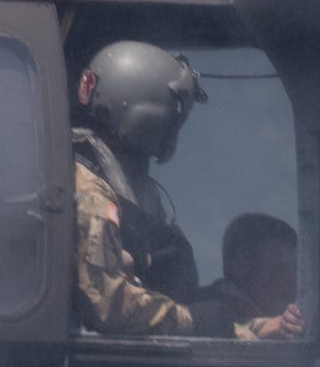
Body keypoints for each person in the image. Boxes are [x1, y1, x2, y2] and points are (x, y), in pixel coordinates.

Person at [72, 42, 303, 341]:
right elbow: (107, 303)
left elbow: (195, 319)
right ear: (149, 117)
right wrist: (194, 320)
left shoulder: (122, 188)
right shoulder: (91, 193)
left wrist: (259, 329)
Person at [193, 213, 299, 338]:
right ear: (242, 268)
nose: (292, 279)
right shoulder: (205, 316)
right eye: (280, 269)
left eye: (296, 269)